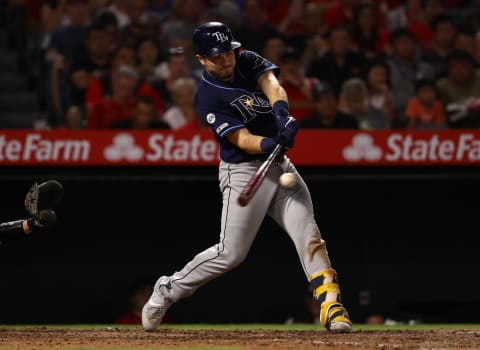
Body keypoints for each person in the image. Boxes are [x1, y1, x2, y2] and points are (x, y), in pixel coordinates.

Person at [142, 21, 352, 334]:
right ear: (201, 59)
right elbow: (241, 140)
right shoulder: (207, 97)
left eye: (228, 52)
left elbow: (271, 84)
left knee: (309, 234)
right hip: (244, 170)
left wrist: (282, 112)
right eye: (217, 56)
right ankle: (167, 289)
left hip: (279, 166)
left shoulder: (246, 58)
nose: (226, 60)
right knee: (231, 254)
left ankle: (331, 303)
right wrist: (268, 141)